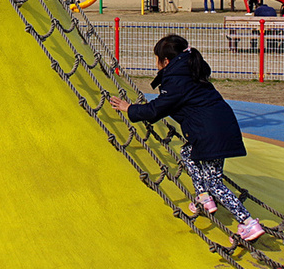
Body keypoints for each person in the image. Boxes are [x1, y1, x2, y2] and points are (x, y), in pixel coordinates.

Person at [108, 34, 265, 243]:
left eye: (157, 60)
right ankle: (203, 199)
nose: (156, 64)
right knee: (187, 153)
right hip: (218, 128)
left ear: (165, 61)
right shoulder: (189, 70)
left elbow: (157, 109)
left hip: (210, 134)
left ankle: (247, 222)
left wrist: (130, 109)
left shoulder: (176, 80)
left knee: (214, 181)